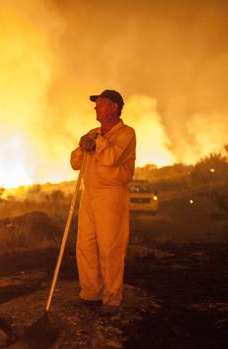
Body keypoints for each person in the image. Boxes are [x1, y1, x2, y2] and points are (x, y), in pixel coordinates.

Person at [70, 89, 136, 313]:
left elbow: (110, 158)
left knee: (110, 247)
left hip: (111, 194)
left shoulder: (126, 134)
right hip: (90, 195)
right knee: (85, 245)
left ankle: (111, 297)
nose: (96, 107)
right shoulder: (93, 132)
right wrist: (81, 146)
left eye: (100, 103)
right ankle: (91, 292)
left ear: (114, 107)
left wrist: (96, 141)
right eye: (96, 104)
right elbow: (75, 163)